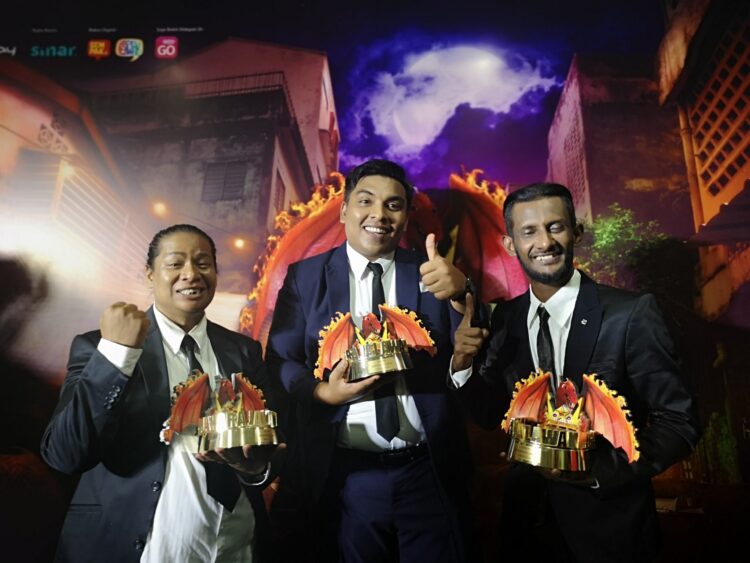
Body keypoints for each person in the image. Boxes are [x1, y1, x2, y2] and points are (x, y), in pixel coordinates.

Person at [451, 182, 700, 562]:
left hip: (610, 531)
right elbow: (488, 415)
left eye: (555, 227)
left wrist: (597, 472)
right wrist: (461, 365)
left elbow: (679, 422)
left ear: (576, 232)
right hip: (526, 528)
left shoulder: (630, 314)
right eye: (529, 231)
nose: (544, 242)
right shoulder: (505, 319)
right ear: (510, 244)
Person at [266, 159, 479, 562]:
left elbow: (470, 353)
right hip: (345, 473)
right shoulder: (306, 277)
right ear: (344, 210)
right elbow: (280, 359)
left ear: (405, 217)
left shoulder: (433, 274)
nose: (379, 214)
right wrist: (322, 392)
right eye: (366, 201)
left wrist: (461, 292)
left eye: (393, 205)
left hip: (428, 470)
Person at [41, 224, 285, 563]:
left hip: (236, 544)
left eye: (203, 263)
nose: (191, 274)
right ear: (150, 274)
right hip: (140, 547)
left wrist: (253, 468)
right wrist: (116, 356)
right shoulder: (98, 346)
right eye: (175, 263)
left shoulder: (244, 350)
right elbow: (65, 455)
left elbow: (271, 449)